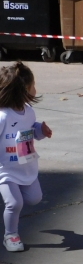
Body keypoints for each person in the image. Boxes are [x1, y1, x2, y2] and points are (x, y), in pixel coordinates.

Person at [0, 62, 53, 252]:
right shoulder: (3, 117)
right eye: (33, 85)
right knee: (14, 203)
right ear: (23, 90)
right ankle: (10, 235)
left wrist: (40, 130)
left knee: (35, 199)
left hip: (26, 167)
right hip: (5, 170)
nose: (36, 89)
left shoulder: (28, 111)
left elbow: (29, 132)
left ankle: (12, 198)